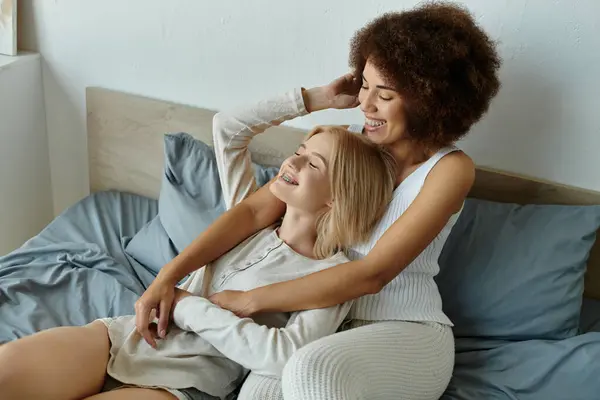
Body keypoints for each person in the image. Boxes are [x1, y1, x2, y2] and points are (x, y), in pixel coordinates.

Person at [135, 2, 502, 400]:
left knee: (311, 373)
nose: (366, 104)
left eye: (385, 95)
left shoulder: (450, 169)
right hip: (318, 326)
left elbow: (371, 275)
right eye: (364, 85)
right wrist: (167, 276)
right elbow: (256, 210)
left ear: (429, 101)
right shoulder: (353, 144)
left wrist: (248, 301)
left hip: (403, 330)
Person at [0, 89, 396, 399]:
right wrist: (319, 98)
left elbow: (282, 357)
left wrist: (189, 307)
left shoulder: (333, 278)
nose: (290, 164)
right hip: (129, 337)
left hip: (186, 384)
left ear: (336, 198)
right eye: (299, 152)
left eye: (313, 164)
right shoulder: (248, 215)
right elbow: (229, 127)